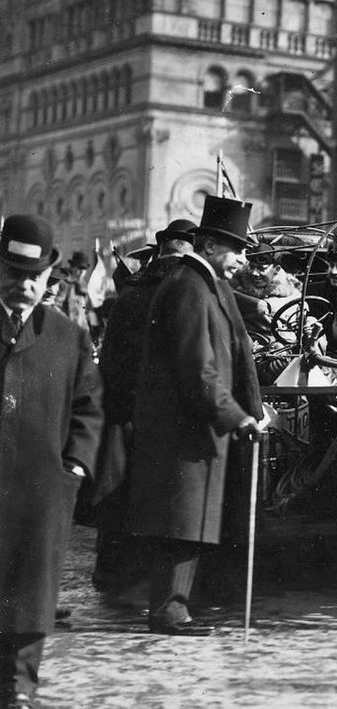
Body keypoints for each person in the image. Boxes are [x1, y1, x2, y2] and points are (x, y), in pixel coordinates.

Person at [128, 196, 264, 636]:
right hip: (184, 428)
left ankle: (176, 606)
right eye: (236, 250)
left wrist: (253, 411)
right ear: (207, 246)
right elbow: (196, 367)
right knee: (180, 519)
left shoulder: (209, 285)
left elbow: (237, 352)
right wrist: (234, 415)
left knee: (191, 516)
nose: (242, 261)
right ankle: (168, 610)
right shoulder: (188, 287)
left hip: (199, 426)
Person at [0, 215, 103, 708]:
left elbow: (89, 407)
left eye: (34, 277)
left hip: (40, 491)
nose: (23, 285)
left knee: (31, 594)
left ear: (49, 279)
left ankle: (19, 691)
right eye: (13, 273)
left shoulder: (66, 337)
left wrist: (75, 466)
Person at [90, 219, 196, 597]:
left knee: (118, 494)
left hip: (121, 408)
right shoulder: (178, 291)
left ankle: (112, 571)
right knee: (149, 494)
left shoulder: (132, 292)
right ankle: (136, 575)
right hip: (153, 412)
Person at [230, 242, 304, 384]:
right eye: (251, 267)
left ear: (276, 270)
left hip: (281, 349)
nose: (254, 273)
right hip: (246, 348)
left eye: (261, 268)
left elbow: (299, 323)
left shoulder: (291, 294)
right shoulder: (235, 287)